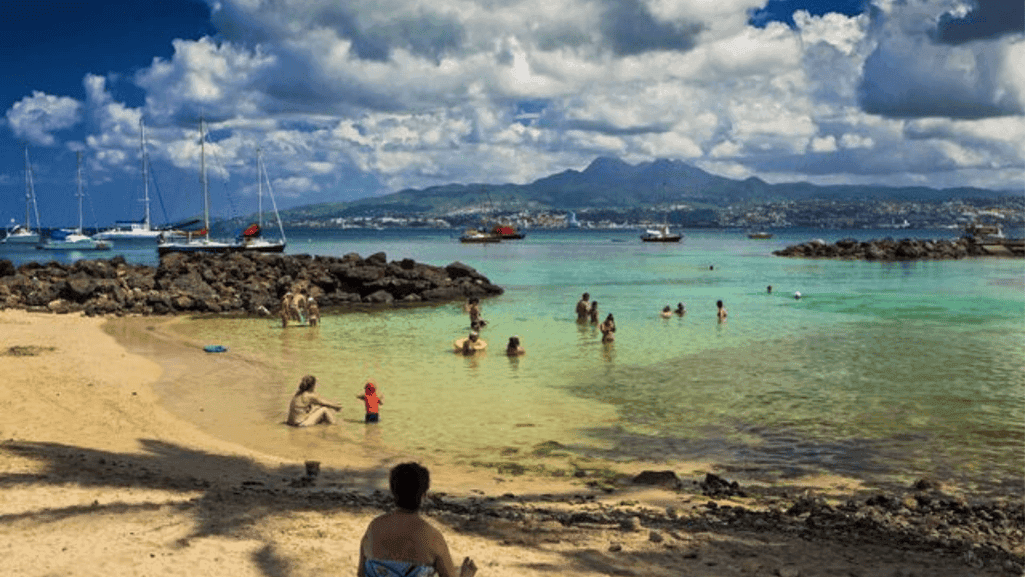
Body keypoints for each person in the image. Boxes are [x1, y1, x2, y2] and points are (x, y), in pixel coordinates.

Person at [358, 462, 477, 577]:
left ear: (393, 492)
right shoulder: (432, 537)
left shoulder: (374, 528)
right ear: (423, 495)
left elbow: (361, 574)